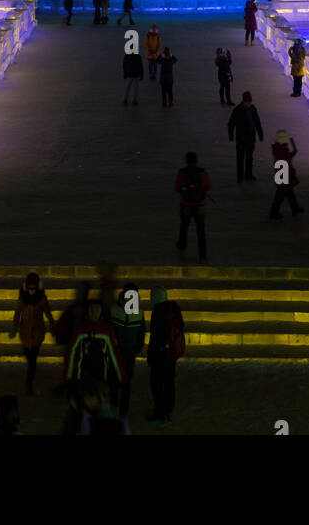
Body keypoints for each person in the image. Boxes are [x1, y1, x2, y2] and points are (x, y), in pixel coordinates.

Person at [63, 298, 126, 406]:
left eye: (97, 310)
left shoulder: (106, 330)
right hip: (83, 375)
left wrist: (122, 376)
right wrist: (67, 376)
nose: (94, 313)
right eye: (91, 310)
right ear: (87, 312)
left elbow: (115, 354)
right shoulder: (80, 329)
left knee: (97, 404)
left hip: (100, 375)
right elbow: (71, 352)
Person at [10, 271, 54, 394]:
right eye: (30, 288)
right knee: (31, 360)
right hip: (25, 334)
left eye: (33, 289)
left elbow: (48, 313)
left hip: (37, 334)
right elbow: (17, 314)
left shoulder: (42, 299)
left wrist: (53, 325)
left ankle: (29, 382)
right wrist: (14, 327)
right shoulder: (22, 299)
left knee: (32, 360)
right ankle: (29, 382)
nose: (31, 291)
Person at [147, 287, 185, 424]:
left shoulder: (157, 312)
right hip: (171, 353)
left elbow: (155, 337)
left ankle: (159, 412)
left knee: (156, 384)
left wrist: (150, 356)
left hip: (159, 354)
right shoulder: (174, 308)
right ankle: (169, 410)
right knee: (169, 382)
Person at [110, 285, 146, 418]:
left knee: (122, 384)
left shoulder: (115, 310)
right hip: (120, 353)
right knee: (119, 383)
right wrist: (138, 346)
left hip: (125, 354)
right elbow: (141, 332)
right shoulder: (137, 312)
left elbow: (141, 332)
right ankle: (118, 410)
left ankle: (120, 411)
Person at [175, 149, 211, 262]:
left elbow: (177, 188)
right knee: (200, 231)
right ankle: (202, 256)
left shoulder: (182, 172)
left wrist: (186, 190)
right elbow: (208, 186)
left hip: (186, 204)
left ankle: (182, 244)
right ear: (196, 160)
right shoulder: (202, 172)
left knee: (184, 226)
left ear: (186, 161)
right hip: (199, 204)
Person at [228, 91, 264, 182]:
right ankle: (240, 177)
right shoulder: (238, 110)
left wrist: (260, 134)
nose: (249, 103)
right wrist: (231, 134)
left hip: (251, 138)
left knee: (249, 157)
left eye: (250, 101)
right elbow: (231, 123)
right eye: (247, 102)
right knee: (240, 158)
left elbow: (257, 122)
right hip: (241, 138)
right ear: (243, 101)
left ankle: (248, 175)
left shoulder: (253, 109)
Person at [269, 129, 303, 218]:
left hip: (281, 174)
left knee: (288, 192)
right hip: (283, 174)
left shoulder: (279, 148)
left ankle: (295, 208)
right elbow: (285, 161)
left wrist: (292, 154)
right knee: (281, 194)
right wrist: (291, 175)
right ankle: (274, 213)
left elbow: (285, 158)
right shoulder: (282, 149)